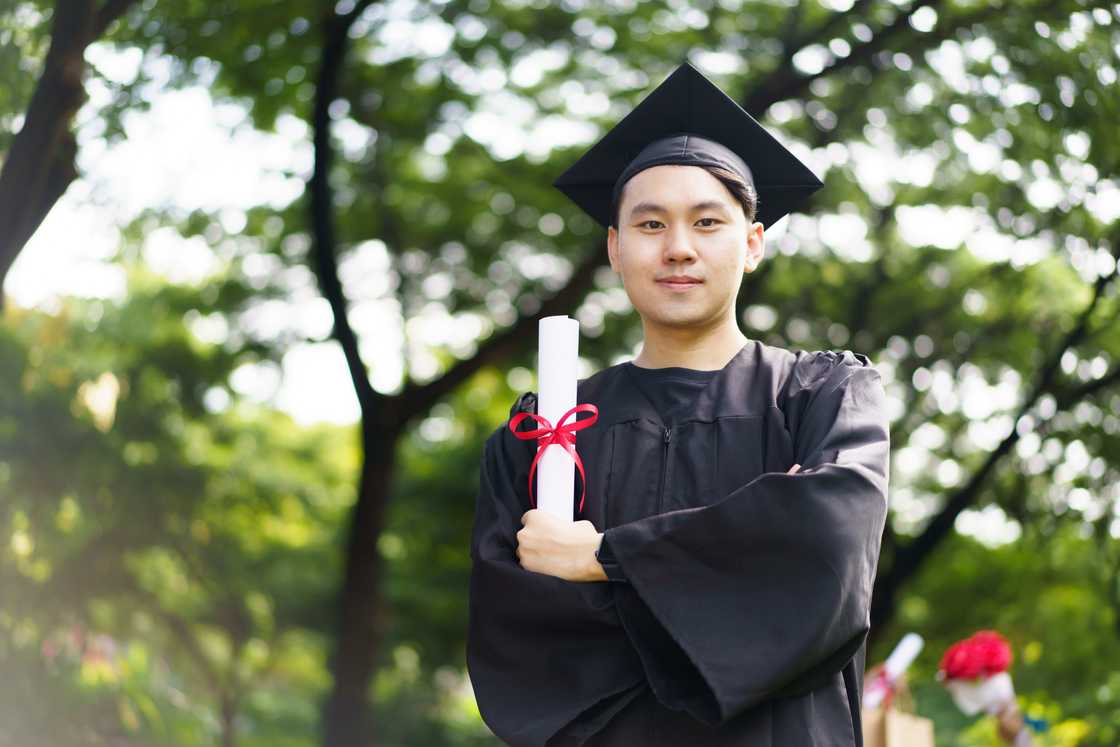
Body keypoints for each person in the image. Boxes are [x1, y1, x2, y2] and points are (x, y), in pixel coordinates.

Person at [466, 60, 890, 746]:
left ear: (752, 243)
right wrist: (733, 567)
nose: (680, 248)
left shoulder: (822, 398)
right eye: (651, 223)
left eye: (708, 221)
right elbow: (519, 645)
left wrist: (606, 558)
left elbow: (825, 552)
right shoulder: (542, 430)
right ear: (615, 247)